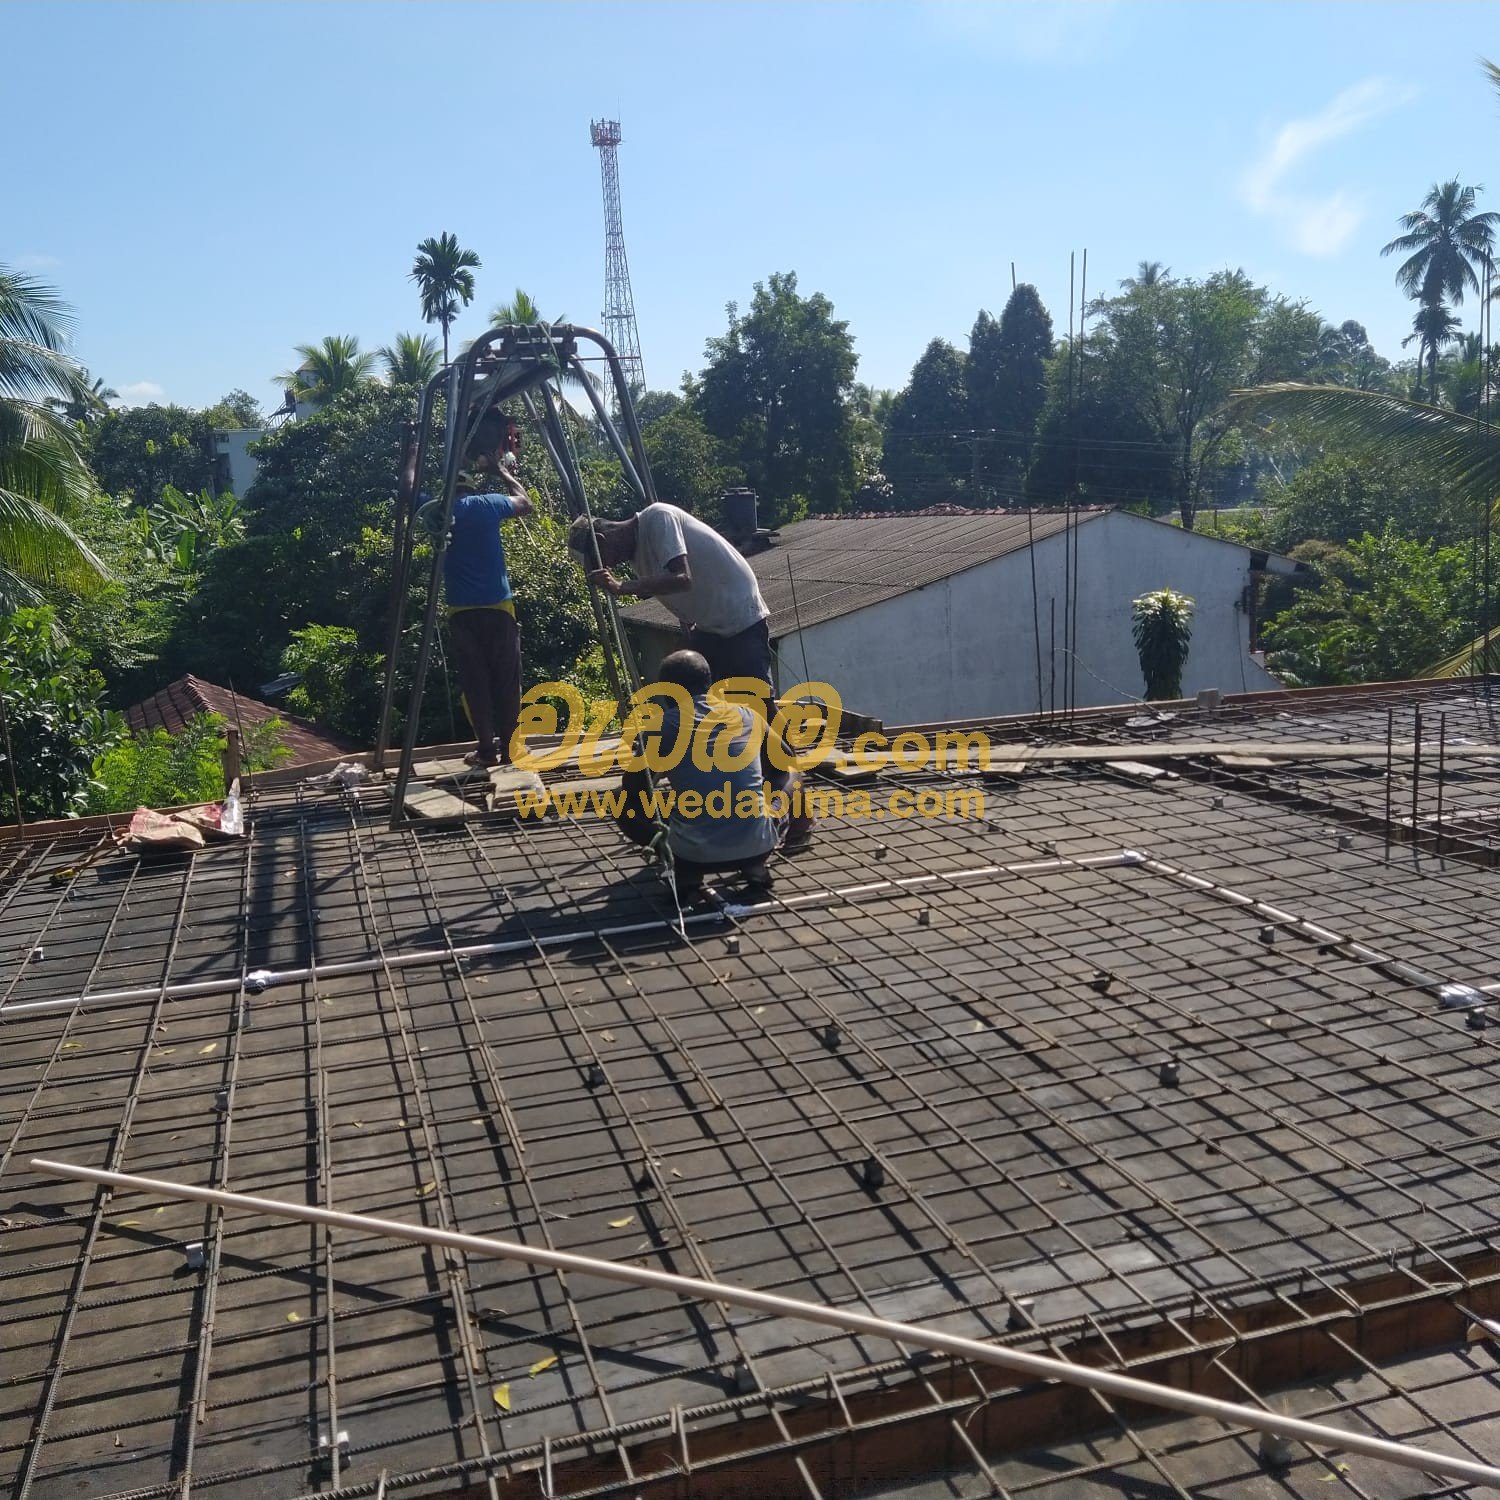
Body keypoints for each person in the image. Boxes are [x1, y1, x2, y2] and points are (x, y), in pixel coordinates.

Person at [617, 649, 812, 902]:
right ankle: (754, 865)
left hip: (691, 856)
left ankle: (687, 873)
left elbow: (634, 789)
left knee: (621, 801)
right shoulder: (746, 714)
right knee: (791, 773)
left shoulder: (660, 726)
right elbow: (783, 760)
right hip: (758, 846)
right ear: (709, 684)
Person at [412, 409, 533, 766]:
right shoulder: (487, 505)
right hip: (499, 607)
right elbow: (525, 503)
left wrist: (412, 449)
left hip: (462, 612)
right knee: (507, 680)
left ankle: (486, 749)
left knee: (475, 682)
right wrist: (503, 472)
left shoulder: (437, 512)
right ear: (471, 485)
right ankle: (511, 748)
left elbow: (407, 490)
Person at [567, 503, 773, 697]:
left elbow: (682, 579)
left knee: (758, 700)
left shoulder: (658, 517)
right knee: (680, 681)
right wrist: (688, 634)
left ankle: (776, 724)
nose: (607, 566)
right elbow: (681, 596)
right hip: (710, 626)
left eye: (601, 560)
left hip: (738, 615)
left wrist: (622, 586)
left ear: (602, 541)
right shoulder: (637, 558)